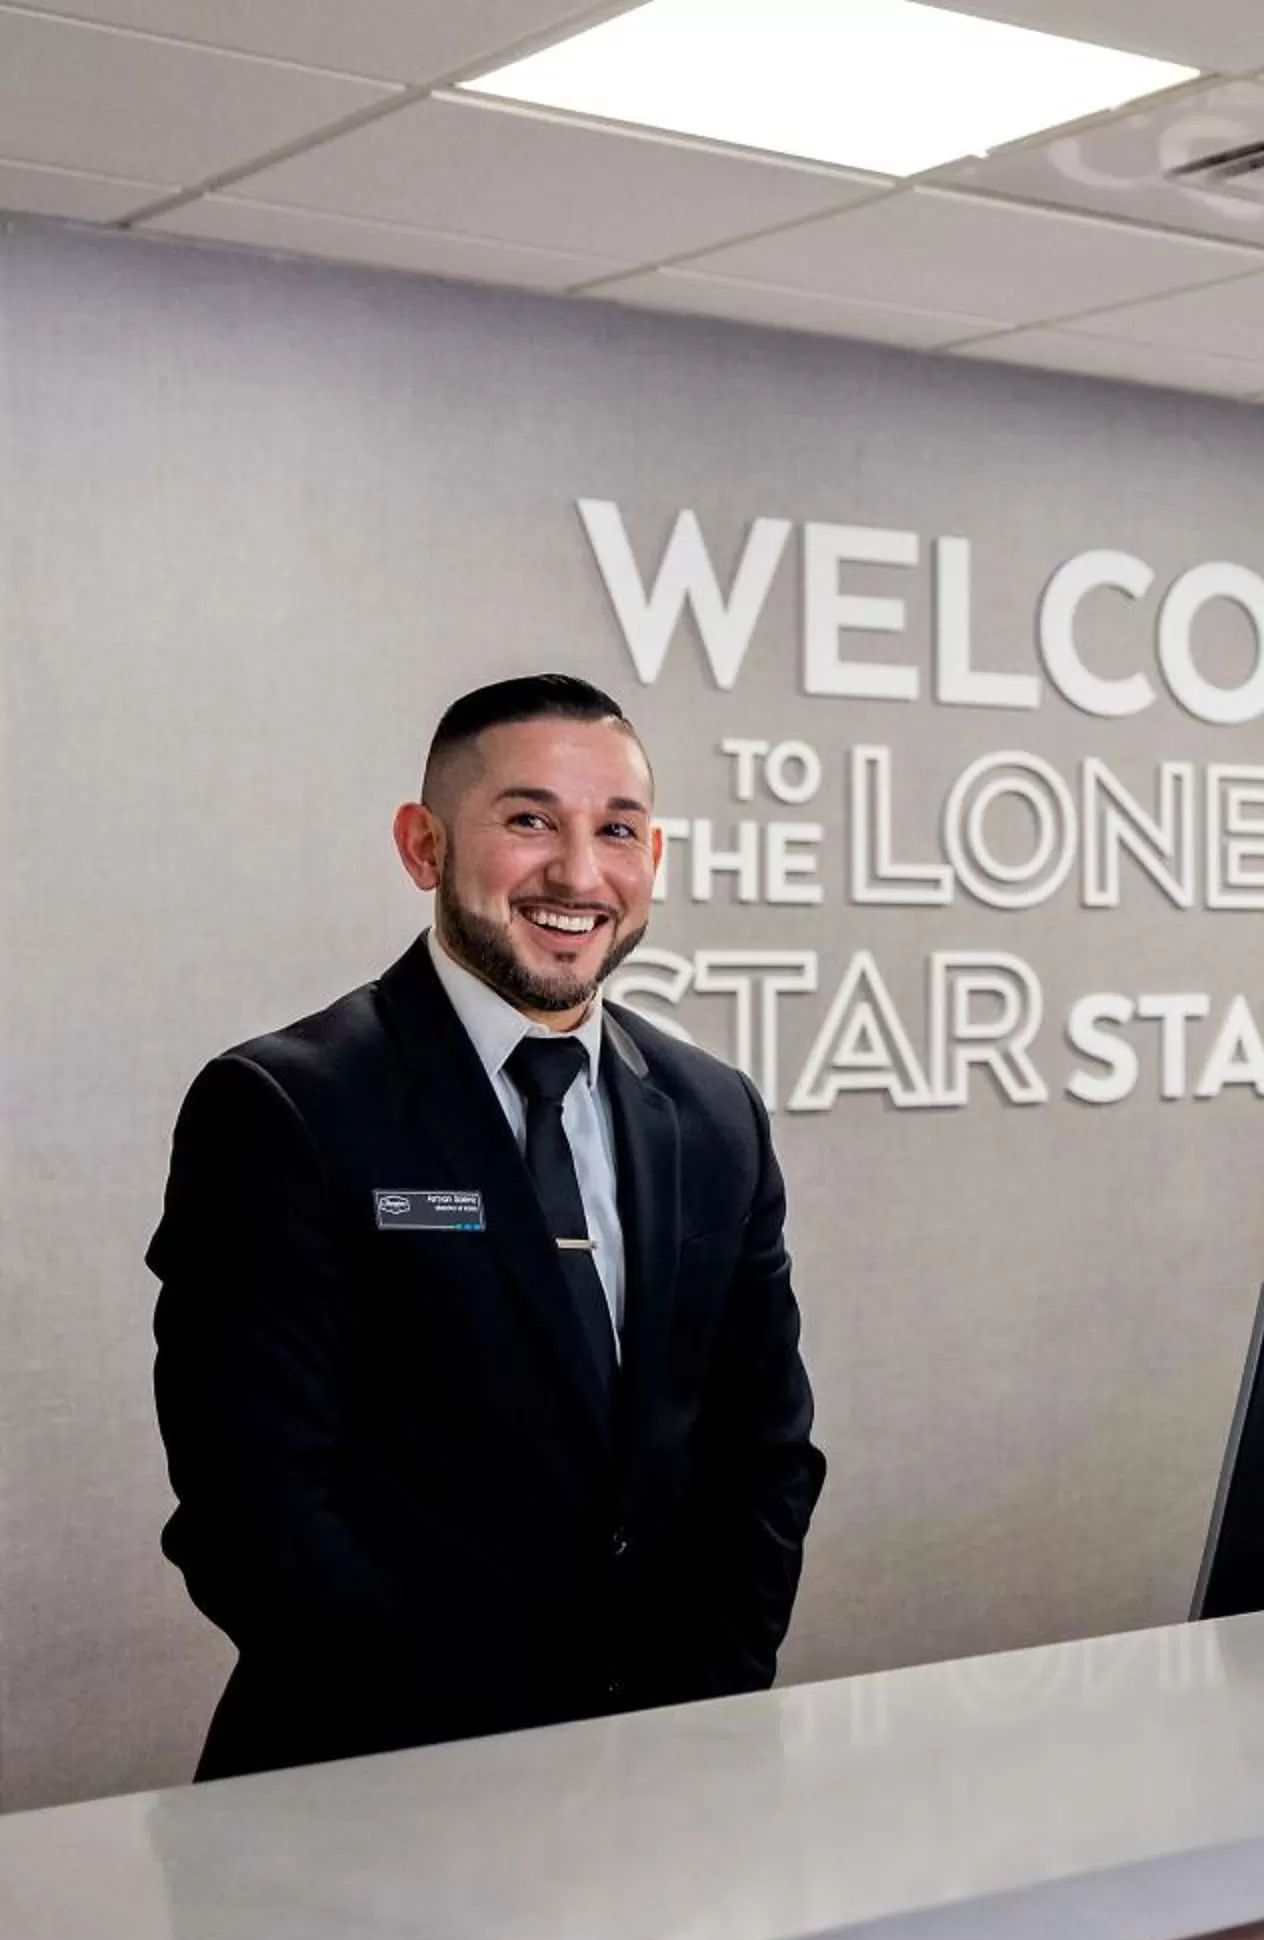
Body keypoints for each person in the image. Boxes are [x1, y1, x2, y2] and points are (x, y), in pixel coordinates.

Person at [148, 675, 826, 1780]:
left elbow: (764, 1453)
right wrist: (492, 1770)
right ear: (423, 845)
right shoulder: (285, 1108)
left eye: (616, 829)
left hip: (659, 1786)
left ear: (652, 857)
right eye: (528, 820)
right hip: (376, 1789)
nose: (577, 872)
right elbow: (255, 1508)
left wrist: (703, 1716)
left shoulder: (713, 1112)